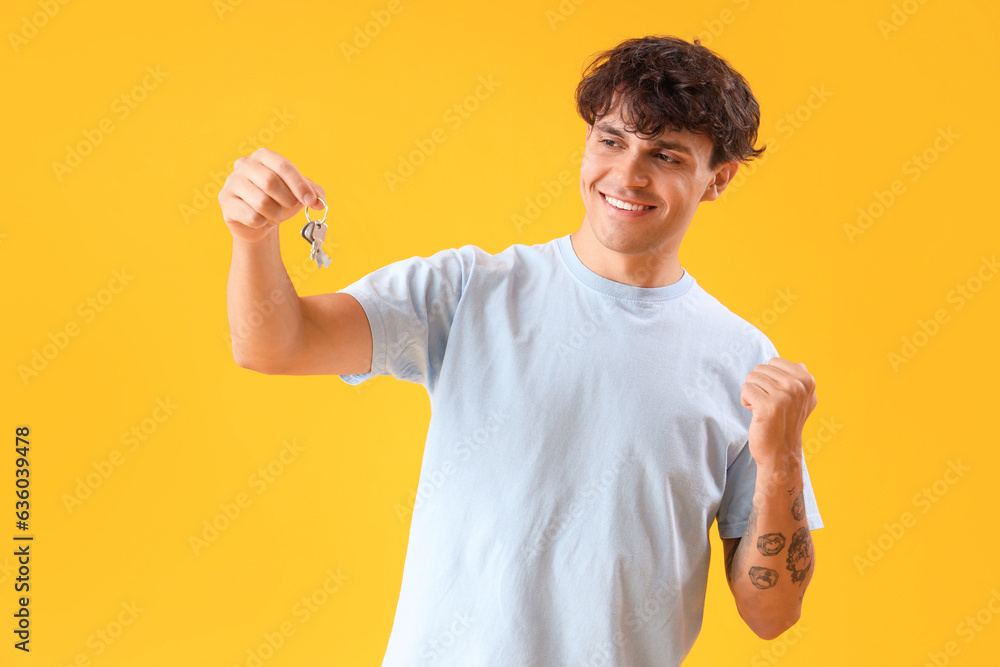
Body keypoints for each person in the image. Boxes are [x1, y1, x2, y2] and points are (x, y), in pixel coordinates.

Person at [220, 34, 823, 666]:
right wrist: (252, 239)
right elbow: (274, 344)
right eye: (611, 140)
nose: (627, 175)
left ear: (717, 179)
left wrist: (780, 458)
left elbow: (772, 612)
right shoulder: (467, 290)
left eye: (666, 155)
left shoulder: (742, 357)